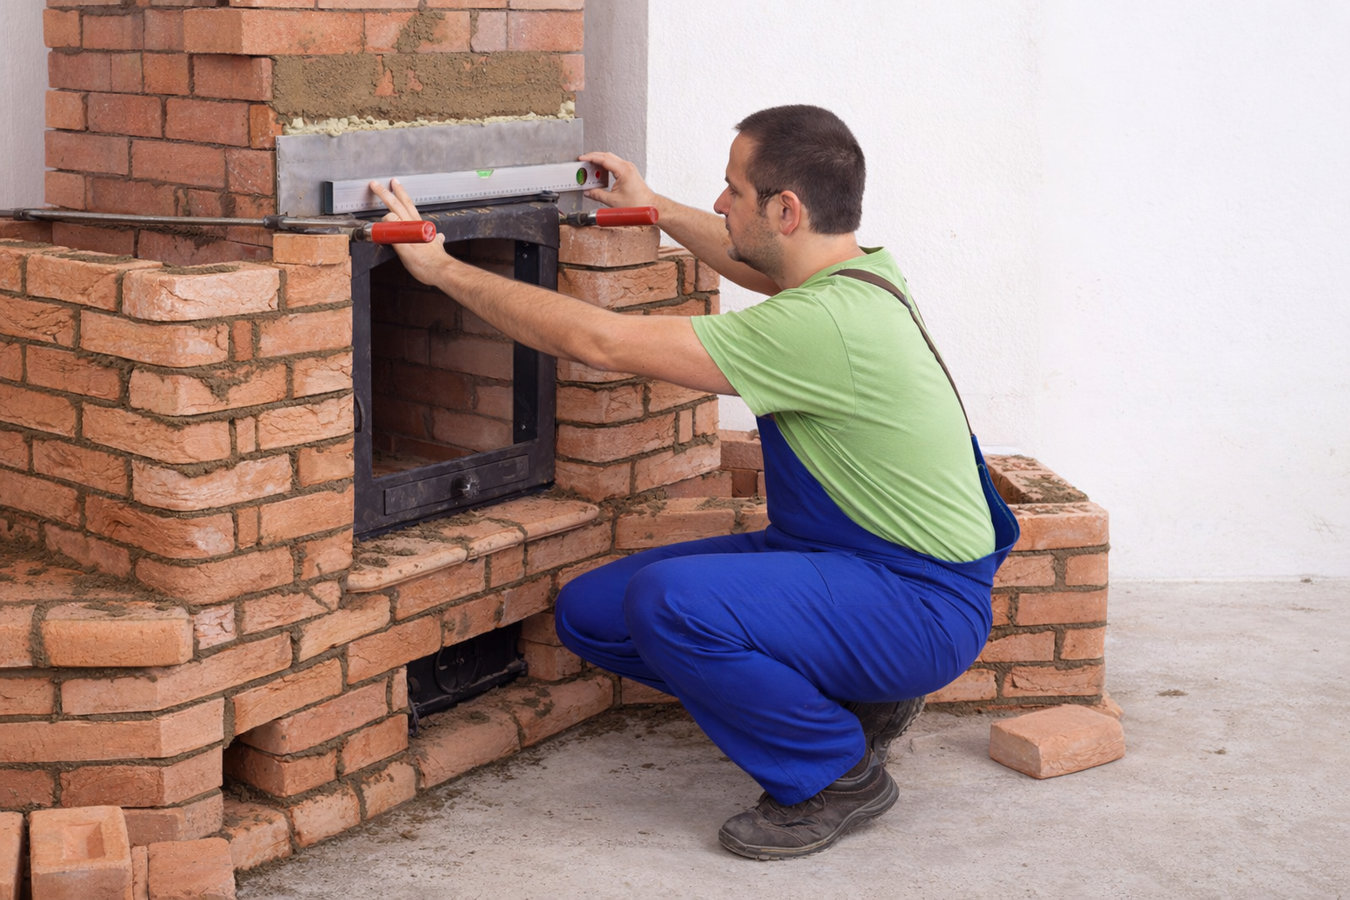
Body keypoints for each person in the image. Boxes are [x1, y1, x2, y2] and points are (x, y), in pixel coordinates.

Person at [369, 104, 1018, 860]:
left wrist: (442, 267)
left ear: (786, 208)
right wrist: (651, 207)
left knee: (671, 605)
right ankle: (845, 694)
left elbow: (599, 340)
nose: (719, 204)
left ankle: (833, 772)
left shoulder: (822, 326)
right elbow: (757, 262)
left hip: (918, 600)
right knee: (591, 614)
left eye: (732, 191)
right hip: (850, 563)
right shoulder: (856, 272)